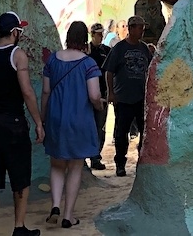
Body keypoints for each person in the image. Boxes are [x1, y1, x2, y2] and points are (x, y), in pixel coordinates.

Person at [0, 11, 44, 236]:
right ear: (15, 32)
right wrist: (38, 122)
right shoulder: (18, 55)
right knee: (20, 176)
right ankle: (18, 228)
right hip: (13, 122)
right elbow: (27, 91)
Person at [41, 21, 104, 228]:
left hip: (56, 119)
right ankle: (68, 216)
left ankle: (55, 206)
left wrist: (42, 118)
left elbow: (46, 91)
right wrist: (100, 106)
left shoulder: (52, 60)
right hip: (79, 120)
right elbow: (94, 94)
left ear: (68, 37)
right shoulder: (88, 64)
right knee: (75, 167)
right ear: (84, 39)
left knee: (57, 164)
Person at [102, 15, 154, 177]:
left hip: (141, 98)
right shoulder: (118, 49)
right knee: (121, 132)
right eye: (139, 28)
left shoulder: (144, 48)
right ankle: (120, 164)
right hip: (123, 98)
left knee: (144, 131)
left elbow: (151, 70)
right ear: (130, 29)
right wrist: (111, 92)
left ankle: (143, 162)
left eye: (143, 28)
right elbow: (109, 71)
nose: (142, 31)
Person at [87, 22, 111, 170]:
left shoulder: (106, 51)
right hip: (87, 95)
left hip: (102, 94)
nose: (101, 36)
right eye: (98, 34)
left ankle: (96, 157)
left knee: (100, 127)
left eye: (102, 34)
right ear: (92, 35)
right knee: (87, 126)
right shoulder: (86, 51)